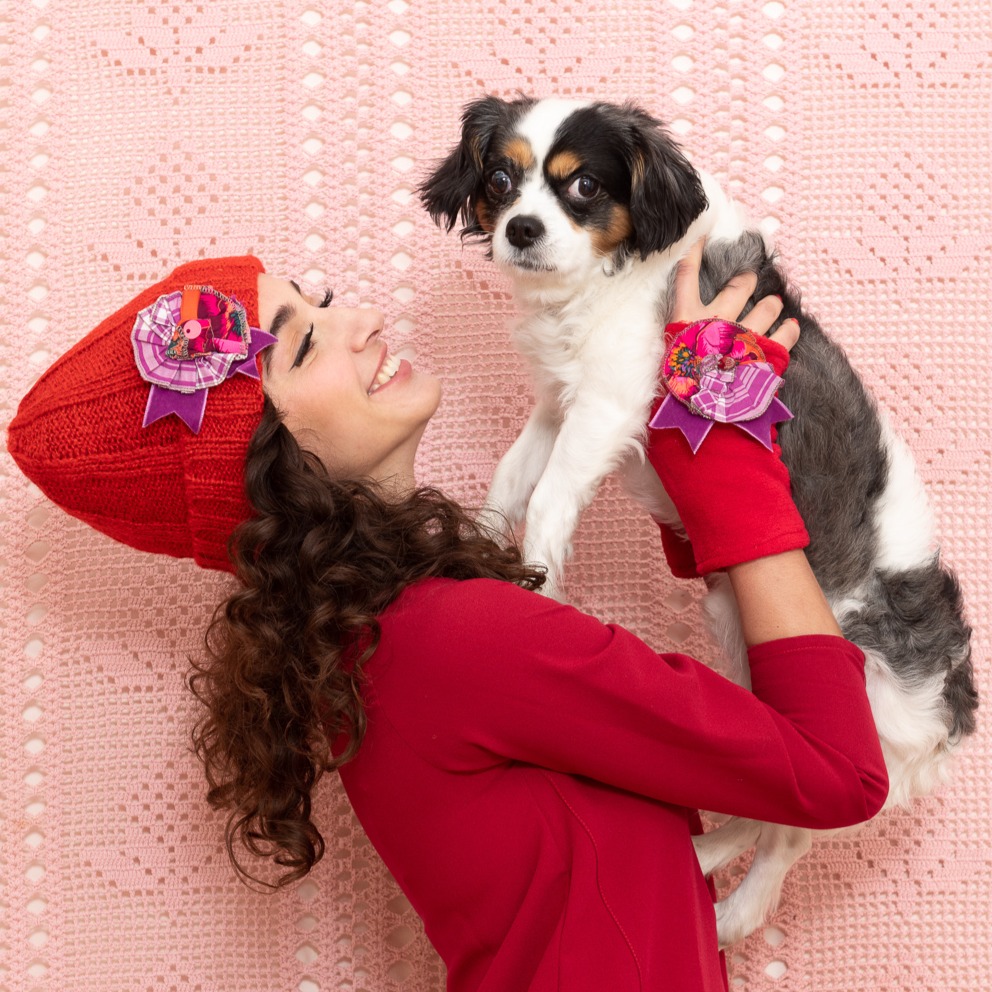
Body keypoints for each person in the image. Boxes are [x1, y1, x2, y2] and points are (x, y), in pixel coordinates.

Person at [7, 241, 888, 992]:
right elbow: (838, 772)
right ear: (263, 464)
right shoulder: (451, 640)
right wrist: (725, 453)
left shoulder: (390, 651)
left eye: (320, 302)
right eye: (306, 344)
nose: (358, 322)